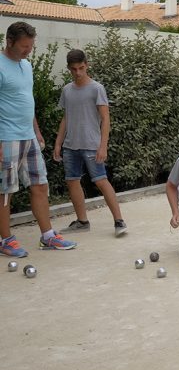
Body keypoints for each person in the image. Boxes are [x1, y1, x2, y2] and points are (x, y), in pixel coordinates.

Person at [0, 22, 77, 257]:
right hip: (6, 138)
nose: (28, 51)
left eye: (31, 46)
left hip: (28, 136)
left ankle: (48, 236)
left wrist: (36, 130)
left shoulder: (26, 65)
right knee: (5, 192)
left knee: (40, 185)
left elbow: (26, 100)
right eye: (24, 46)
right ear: (10, 41)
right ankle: (5, 240)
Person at [53, 49, 127, 237]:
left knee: (101, 181)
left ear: (87, 65)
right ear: (69, 69)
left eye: (81, 68)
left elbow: (105, 118)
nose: (78, 72)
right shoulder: (67, 90)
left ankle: (119, 221)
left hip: (91, 145)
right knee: (72, 181)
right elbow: (65, 118)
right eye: (74, 69)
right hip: (70, 145)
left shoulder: (96, 88)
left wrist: (103, 146)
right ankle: (82, 221)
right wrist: (58, 143)